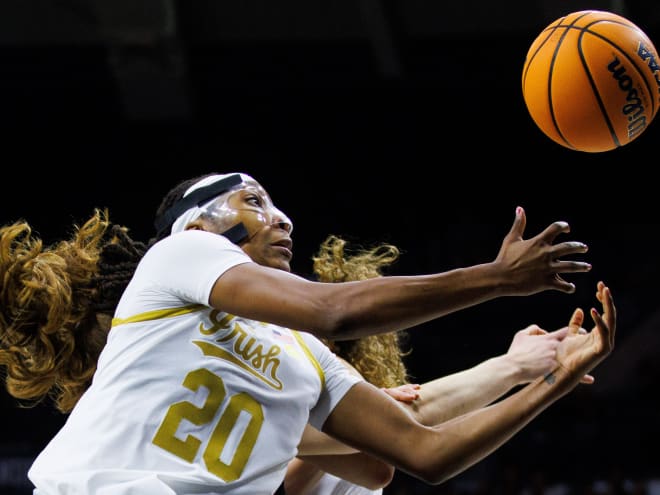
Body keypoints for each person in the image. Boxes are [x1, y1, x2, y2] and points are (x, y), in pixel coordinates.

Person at [0, 172, 614, 495]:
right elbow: (336, 311)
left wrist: (547, 377)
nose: (281, 216)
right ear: (197, 221)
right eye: (255, 201)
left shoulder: (303, 358)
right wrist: (496, 279)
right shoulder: (179, 256)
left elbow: (422, 451)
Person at [283, 235, 595, 495]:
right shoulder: (294, 388)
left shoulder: (326, 373)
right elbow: (306, 479)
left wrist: (358, 415)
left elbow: (382, 460)